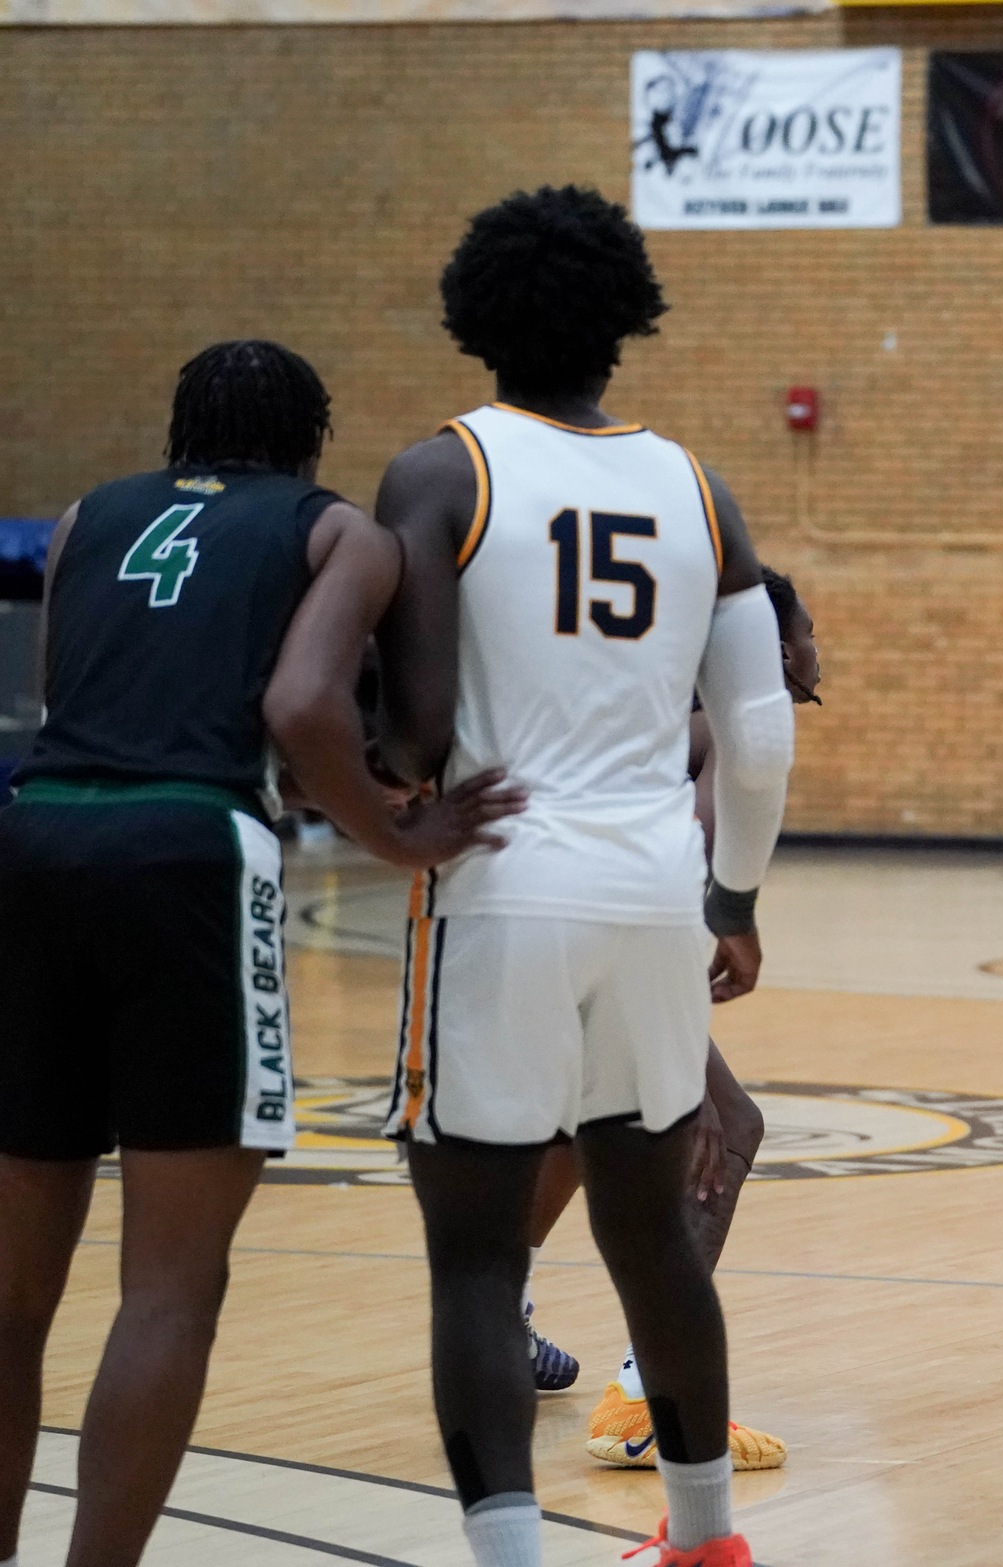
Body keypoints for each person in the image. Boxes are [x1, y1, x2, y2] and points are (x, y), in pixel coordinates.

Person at [0, 341, 522, 1567]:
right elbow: (297, 705)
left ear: (180, 429)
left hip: (34, 840)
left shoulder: (84, 519)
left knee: (12, 1295)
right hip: (188, 853)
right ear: (309, 440)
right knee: (170, 1285)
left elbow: (70, 693)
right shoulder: (340, 531)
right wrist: (393, 832)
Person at [370, 186, 791, 1567]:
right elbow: (758, 732)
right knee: (653, 1234)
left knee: (478, 1259)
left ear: (473, 312)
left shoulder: (440, 473)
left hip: (503, 887)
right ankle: (706, 1542)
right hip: (657, 896)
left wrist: (370, 762)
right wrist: (734, 897)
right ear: (624, 318)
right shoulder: (699, 488)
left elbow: (418, 728)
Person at [520, 568, 820, 1477]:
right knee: (727, 1129)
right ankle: (642, 1395)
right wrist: (679, 1020)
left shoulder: (642, 704)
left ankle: (497, 1309)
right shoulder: (730, 723)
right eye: (810, 632)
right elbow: (672, 865)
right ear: (773, 650)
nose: (819, 650)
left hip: (514, 915)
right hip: (604, 930)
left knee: (577, 1126)